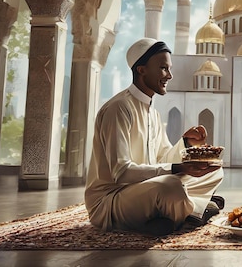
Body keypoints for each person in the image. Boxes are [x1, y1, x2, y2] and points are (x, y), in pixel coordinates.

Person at [85, 38, 224, 236]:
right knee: (170, 186)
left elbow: (164, 158)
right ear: (142, 70)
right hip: (112, 200)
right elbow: (122, 173)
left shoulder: (153, 112)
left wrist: (187, 144)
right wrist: (179, 168)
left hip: (146, 190)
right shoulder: (119, 108)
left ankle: (173, 215)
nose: (169, 75)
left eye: (169, 69)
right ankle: (196, 209)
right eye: (163, 68)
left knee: (213, 169)